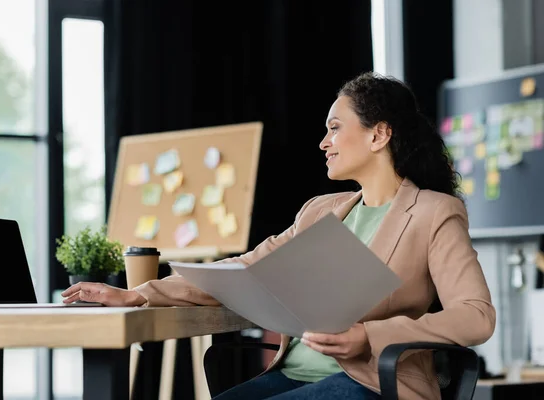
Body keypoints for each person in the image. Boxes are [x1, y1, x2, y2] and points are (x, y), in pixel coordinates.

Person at [62, 72, 496, 400]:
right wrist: (139, 293)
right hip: (290, 373)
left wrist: (370, 336)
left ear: (379, 134)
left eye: (335, 128)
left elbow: (476, 315)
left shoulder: (435, 212)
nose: (324, 143)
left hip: (374, 384)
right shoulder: (320, 211)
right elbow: (245, 267)